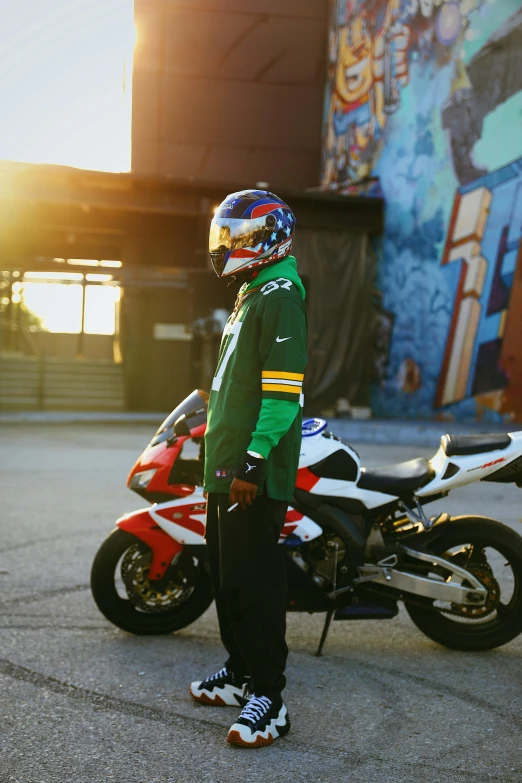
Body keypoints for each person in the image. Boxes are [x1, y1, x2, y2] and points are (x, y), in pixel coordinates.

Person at [190, 189, 307, 748]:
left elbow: (282, 396)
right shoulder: (250, 291)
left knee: (255, 584)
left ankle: (269, 696)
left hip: (250, 473)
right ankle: (240, 673)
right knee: (227, 578)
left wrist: (253, 463)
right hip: (225, 468)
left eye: (233, 237)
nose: (223, 247)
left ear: (264, 239)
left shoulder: (280, 295)